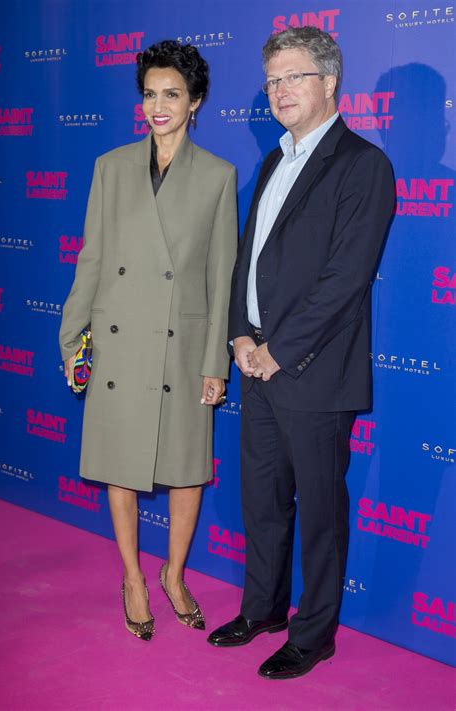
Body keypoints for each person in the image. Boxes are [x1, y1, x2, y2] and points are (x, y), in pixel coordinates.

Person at [207, 27, 395, 679]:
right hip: (255, 365)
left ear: (330, 83)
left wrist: (278, 351)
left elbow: (346, 277)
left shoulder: (363, 164)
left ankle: (314, 633)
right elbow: (245, 263)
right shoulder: (272, 161)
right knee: (261, 501)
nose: (281, 90)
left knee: (319, 512)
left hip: (313, 374)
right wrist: (239, 335)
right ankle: (263, 608)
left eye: (294, 77)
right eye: (273, 80)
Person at [60, 40, 237, 641]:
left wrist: (216, 362)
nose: (158, 106)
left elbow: (221, 278)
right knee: (120, 467)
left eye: (172, 95)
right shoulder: (110, 167)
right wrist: (72, 339)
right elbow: (92, 257)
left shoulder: (218, 177)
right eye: (150, 94)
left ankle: (175, 574)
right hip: (117, 342)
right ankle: (133, 578)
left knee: (187, 471)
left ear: (195, 103)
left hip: (182, 350)